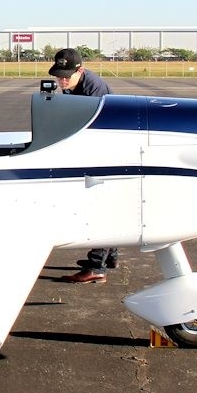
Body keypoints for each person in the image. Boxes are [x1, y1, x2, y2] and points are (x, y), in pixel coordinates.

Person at [49, 47, 118, 284]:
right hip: (101, 149)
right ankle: (111, 257)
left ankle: (97, 266)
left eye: (67, 75)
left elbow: (89, 129)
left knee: (99, 207)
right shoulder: (75, 87)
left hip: (106, 153)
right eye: (59, 76)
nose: (62, 80)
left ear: (82, 70)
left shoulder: (93, 90)